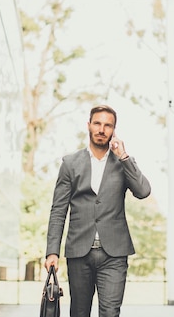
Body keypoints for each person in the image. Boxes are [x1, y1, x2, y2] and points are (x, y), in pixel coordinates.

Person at [44, 104, 152, 317]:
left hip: (114, 254)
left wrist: (124, 156)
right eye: (97, 123)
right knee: (79, 313)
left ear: (114, 130)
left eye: (108, 125)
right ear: (89, 126)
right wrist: (52, 251)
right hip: (79, 252)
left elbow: (143, 191)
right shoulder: (70, 163)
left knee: (110, 313)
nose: (102, 129)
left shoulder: (123, 162)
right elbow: (58, 209)